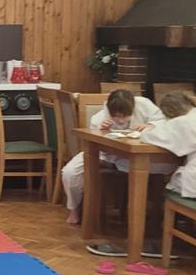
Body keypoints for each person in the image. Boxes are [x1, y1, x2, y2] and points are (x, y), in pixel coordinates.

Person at [61, 89, 166, 226]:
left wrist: (150, 125)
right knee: (69, 172)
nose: (121, 120)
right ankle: (74, 209)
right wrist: (101, 130)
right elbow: (92, 136)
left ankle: (146, 217)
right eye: (116, 116)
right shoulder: (101, 115)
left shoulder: (144, 105)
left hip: (136, 156)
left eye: (126, 116)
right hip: (105, 154)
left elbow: (165, 122)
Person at [141, 93, 196, 199]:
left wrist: (149, 128)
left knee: (171, 184)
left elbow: (149, 136)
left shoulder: (182, 122)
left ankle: (168, 208)